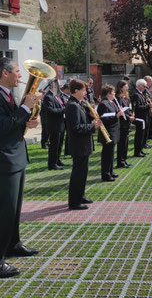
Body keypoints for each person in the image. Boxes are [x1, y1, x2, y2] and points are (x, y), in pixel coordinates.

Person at [0, 57, 42, 278]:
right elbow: (3, 126)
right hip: (4, 160)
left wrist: (28, 119)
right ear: (4, 73)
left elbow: (12, 123)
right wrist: (26, 106)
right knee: (4, 211)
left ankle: (13, 244)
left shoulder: (9, 95)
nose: (20, 75)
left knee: (15, 209)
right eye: (17, 71)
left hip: (15, 157)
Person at [65, 79, 101, 210]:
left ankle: (81, 195)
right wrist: (93, 126)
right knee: (78, 174)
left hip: (83, 144)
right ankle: (74, 202)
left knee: (83, 172)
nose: (85, 92)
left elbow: (83, 120)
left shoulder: (78, 104)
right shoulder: (72, 106)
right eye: (83, 90)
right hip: (78, 145)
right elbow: (76, 128)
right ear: (75, 91)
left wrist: (91, 116)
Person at [97, 84, 124, 182]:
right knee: (107, 155)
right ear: (108, 93)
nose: (114, 94)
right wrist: (117, 116)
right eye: (113, 93)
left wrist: (120, 111)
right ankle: (106, 174)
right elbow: (104, 119)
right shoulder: (103, 104)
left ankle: (110, 171)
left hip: (114, 131)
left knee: (111, 154)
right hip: (108, 132)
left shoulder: (112, 102)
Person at [42, 79, 67, 170]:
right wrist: (64, 110)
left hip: (61, 123)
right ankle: (52, 164)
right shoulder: (48, 97)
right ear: (53, 86)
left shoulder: (57, 95)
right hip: (54, 125)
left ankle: (58, 160)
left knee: (60, 144)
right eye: (59, 85)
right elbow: (51, 111)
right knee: (54, 145)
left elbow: (61, 106)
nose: (60, 87)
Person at [115, 80, 134, 168]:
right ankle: (120, 161)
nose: (127, 87)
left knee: (125, 143)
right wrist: (128, 116)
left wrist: (131, 114)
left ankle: (124, 160)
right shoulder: (118, 97)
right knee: (122, 144)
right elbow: (120, 110)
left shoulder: (124, 97)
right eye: (126, 86)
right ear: (121, 87)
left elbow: (127, 108)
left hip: (126, 123)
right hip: (122, 123)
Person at [130, 79, 152, 157]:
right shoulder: (136, 94)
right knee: (139, 135)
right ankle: (137, 152)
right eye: (144, 86)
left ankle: (140, 150)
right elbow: (137, 107)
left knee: (142, 134)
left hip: (144, 115)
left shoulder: (141, 93)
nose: (145, 88)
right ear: (139, 86)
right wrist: (148, 106)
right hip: (140, 116)